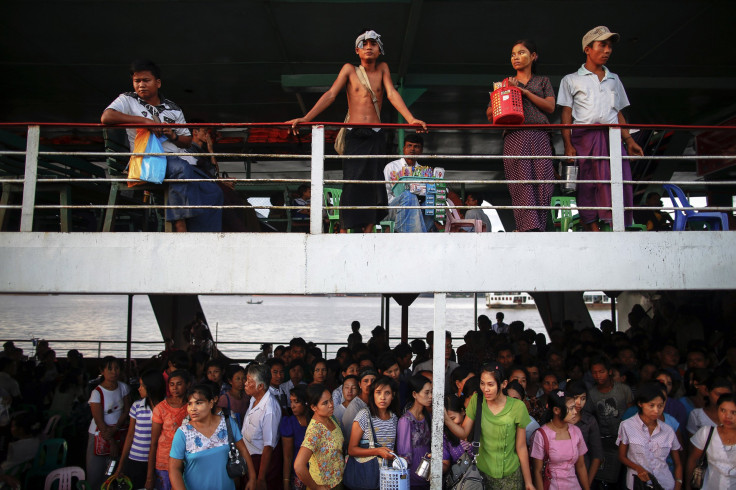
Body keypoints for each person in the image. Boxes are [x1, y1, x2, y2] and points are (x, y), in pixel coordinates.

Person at [287, 29, 427, 233]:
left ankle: (369, 229)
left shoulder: (383, 69)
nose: (369, 47)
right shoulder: (349, 70)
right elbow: (330, 94)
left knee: (373, 182)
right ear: (357, 50)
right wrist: (306, 118)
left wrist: (411, 118)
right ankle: (345, 229)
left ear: (380, 50)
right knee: (352, 181)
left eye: (373, 44)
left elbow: (391, 93)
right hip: (355, 133)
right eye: (364, 44)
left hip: (376, 134)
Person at [100, 59, 223, 232]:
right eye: (137, 81)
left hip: (173, 160)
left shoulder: (173, 108)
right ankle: (179, 224)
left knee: (213, 190)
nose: (141, 85)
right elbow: (107, 117)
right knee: (182, 169)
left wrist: (172, 134)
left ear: (158, 83)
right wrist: (144, 121)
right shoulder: (127, 100)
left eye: (146, 80)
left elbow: (187, 140)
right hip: (146, 160)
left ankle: (204, 235)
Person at [558, 26, 644, 231]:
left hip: (612, 138)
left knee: (618, 180)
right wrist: (568, 145)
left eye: (609, 46)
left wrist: (629, 140)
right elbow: (566, 115)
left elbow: (618, 112)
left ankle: (617, 225)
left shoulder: (614, 79)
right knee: (587, 183)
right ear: (588, 49)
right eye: (602, 45)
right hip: (583, 138)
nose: (607, 50)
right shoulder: (571, 79)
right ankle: (593, 227)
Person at [492, 39, 555, 232]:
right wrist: (505, 92)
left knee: (543, 181)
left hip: (540, 135)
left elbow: (550, 107)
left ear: (533, 56)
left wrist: (524, 92)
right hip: (515, 136)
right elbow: (491, 113)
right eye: (513, 54)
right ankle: (528, 228)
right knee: (521, 182)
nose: (516, 57)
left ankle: (539, 227)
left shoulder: (543, 81)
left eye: (521, 53)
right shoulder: (504, 82)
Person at [443, 364, 535, 490]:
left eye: (490, 385)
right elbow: (464, 433)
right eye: (482, 383)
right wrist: (447, 420)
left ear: (503, 384)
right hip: (482, 475)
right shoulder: (477, 401)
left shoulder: (518, 407)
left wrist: (528, 482)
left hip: (511, 476)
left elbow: (521, 447)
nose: (485, 389)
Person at [169, 383, 257, 490]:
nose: (193, 408)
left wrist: (252, 478)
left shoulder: (227, 423)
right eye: (190, 404)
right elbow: (174, 469)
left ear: (211, 403)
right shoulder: (183, 433)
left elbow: (243, 450)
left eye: (198, 403)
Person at [617, 381, 683, 490]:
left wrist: (678, 484)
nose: (656, 410)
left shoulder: (668, 430)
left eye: (660, 406)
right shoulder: (627, 425)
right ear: (640, 403)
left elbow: (678, 463)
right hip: (638, 485)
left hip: (665, 484)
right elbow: (622, 456)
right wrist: (637, 468)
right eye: (651, 405)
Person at [585, 356, 633, 486]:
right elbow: (589, 417)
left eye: (601, 372)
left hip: (624, 439)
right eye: (594, 372)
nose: (598, 375)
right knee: (605, 476)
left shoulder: (623, 390)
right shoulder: (591, 394)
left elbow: (632, 415)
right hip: (603, 440)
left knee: (622, 475)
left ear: (609, 371)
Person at [113, 371, 165, 488]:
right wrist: (121, 465)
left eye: (142, 385)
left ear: (152, 387)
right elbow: (130, 436)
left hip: (159, 460)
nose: (139, 389)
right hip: (135, 459)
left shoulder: (167, 407)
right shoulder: (137, 406)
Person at [397, 374, 450, 489]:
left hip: (429, 474)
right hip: (414, 476)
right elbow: (404, 454)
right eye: (426, 393)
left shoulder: (428, 417)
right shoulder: (405, 421)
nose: (431, 396)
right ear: (415, 394)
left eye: (431, 392)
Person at [87, 356, 132, 490]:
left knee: (112, 471)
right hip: (99, 435)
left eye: (116, 368)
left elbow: (127, 410)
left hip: (117, 432)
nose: (114, 372)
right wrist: (111, 441)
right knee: (95, 472)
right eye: (110, 369)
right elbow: (99, 422)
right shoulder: (97, 393)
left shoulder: (123, 387)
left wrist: (116, 428)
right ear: (102, 371)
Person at [530, 389, 590, 490]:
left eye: (574, 408)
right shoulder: (541, 435)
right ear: (556, 410)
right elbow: (538, 471)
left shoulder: (576, 431)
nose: (575, 412)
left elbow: (581, 466)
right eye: (571, 409)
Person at [347, 376, 399, 483]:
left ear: (393, 395)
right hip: (367, 476)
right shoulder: (363, 416)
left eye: (387, 393)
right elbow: (351, 450)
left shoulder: (394, 418)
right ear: (373, 395)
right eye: (378, 392)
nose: (382, 397)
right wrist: (378, 451)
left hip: (388, 477)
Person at [294, 384, 345, 489]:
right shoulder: (315, 431)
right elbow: (298, 466)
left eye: (331, 400)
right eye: (325, 403)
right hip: (324, 485)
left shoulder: (332, 419)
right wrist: (316, 487)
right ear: (313, 407)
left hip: (338, 482)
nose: (331, 405)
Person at [383, 134, 437, 232]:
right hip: (392, 208)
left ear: (421, 151)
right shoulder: (391, 167)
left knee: (430, 201)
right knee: (409, 195)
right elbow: (386, 195)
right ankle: (418, 237)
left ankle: (419, 236)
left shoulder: (424, 171)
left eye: (416, 146)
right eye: (409, 146)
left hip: (417, 208)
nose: (412, 149)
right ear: (404, 148)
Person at [241, 363, 282, 490]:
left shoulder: (269, 409)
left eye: (249, 381)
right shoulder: (254, 399)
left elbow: (268, 446)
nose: (245, 384)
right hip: (249, 458)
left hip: (261, 462)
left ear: (260, 386)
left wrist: (260, 478)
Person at [686, 393, 736, 489]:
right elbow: (692, 460)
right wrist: (688, 487)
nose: (727, 416)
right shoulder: (707, 432)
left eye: (733, 412)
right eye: (723, 410)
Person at [149, 370, 189, 490]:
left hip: (187, 461)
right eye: (172, 384)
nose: (175, 388)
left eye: (179, 384)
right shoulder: (160, 408)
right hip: (164, 462)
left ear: (188, 385)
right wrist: (149, 476)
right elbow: (154, 442)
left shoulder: (192, 407)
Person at [566, 381, 603, 487]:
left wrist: (587, 484)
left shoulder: (590, 421)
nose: (579, 402)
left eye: (583, 398)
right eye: (576, 397)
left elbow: (597, 455)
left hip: (583, 473)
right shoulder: (559, 419)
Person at [281, 385, 310, 490]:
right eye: (291, 401)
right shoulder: (289, 423)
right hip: (299, 475)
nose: (292, 406)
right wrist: (286, 481)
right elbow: (287, 456)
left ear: (306, 402)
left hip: (318, 473)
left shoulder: (315, 421)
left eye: (296, 402)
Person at [341, 367, 377, 444]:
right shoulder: (355, 407)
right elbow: (349, 438)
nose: (369, 384)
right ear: (360, 384)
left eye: (373, 380)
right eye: (366, 381)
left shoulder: (378, 402)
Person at [218, 365, 249, 429]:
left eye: (243, 378)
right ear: (230, 381)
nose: (241, 382)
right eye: (238, 379)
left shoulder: (247, 397)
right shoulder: (224, 399)